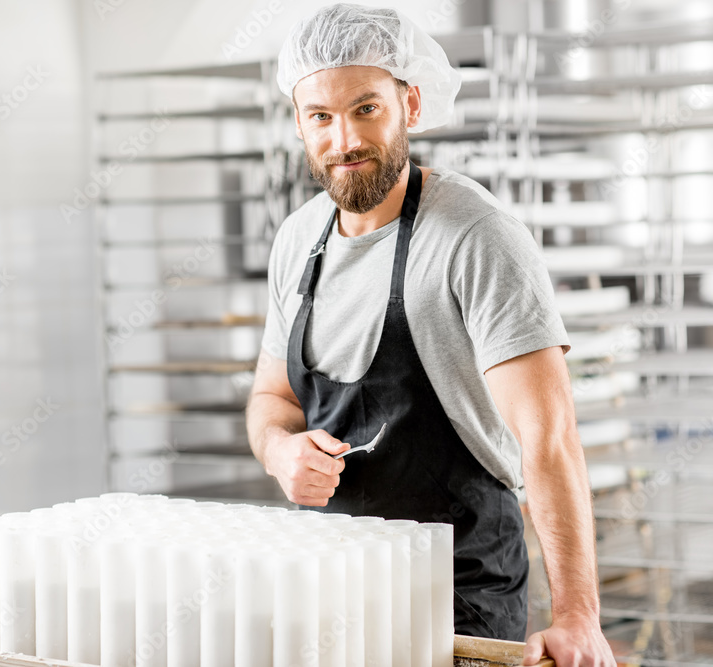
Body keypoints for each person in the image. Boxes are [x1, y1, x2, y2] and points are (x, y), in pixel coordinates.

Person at [246, 4, 616, 666]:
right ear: (299, 122)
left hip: (458, 597)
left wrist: (578, 616)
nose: (344, 140)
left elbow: (550, 437)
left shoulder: (474, 236)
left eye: (366, 109)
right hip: (329, 592)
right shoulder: (297, 240)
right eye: (321, 117)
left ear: (410, 104)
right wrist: (278, 451)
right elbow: (272, 399)